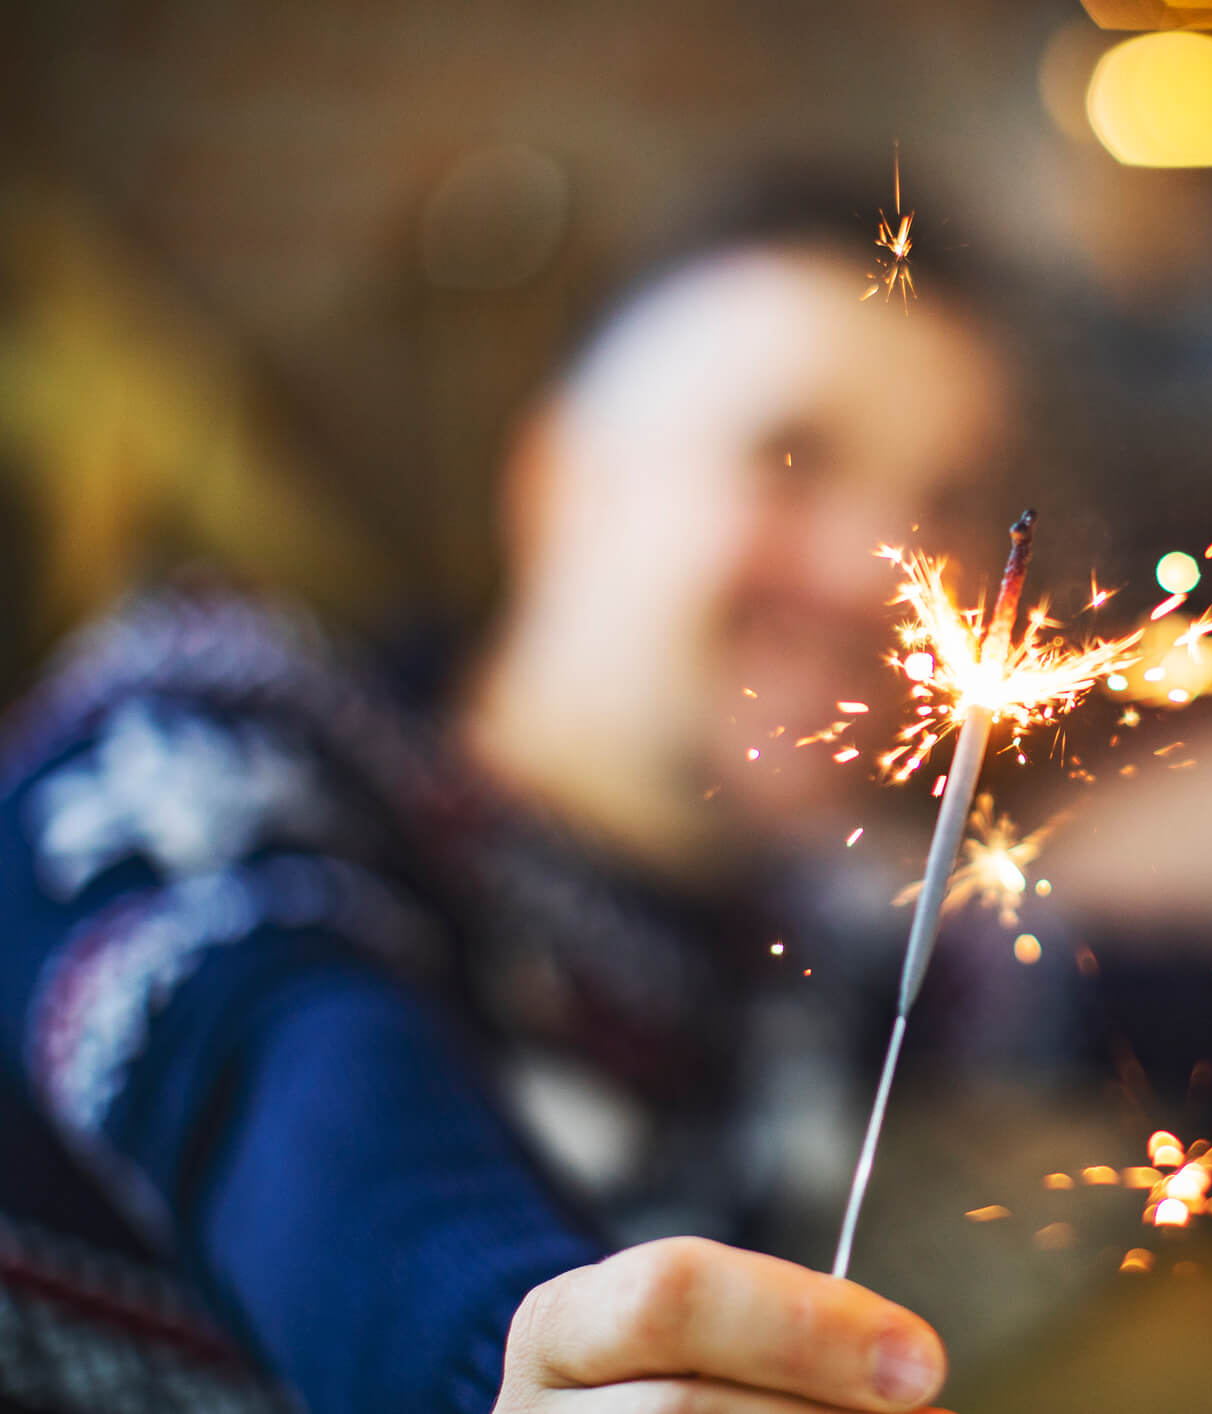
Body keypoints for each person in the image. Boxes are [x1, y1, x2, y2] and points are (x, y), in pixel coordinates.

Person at [0, 179, 1014, 1414]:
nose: (878, 569)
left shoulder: (822, 947)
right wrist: (513, 1358)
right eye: (789, 459)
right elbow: (286, 1074)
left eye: (946, 503)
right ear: (558, 480)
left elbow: (1154, 971)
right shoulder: (205, 734)